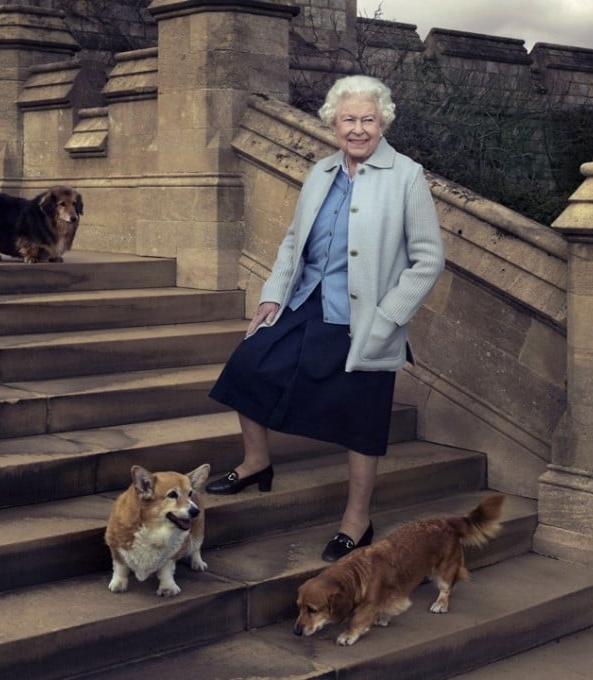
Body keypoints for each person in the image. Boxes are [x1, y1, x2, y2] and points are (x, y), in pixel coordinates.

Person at [205, 75, 445, 563]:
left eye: (367, 120)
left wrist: (389, 317)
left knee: (362, 417)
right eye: (348, 120)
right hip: (306, 300)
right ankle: (256, 463)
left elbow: (428, 259)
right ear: (333, 123)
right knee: (248, 366)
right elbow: (294, 241)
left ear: (383, 123)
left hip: (365, 317)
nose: (357, 129)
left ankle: (357, 520)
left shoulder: (406, 176)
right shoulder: (320, 172)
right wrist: (273, 296)